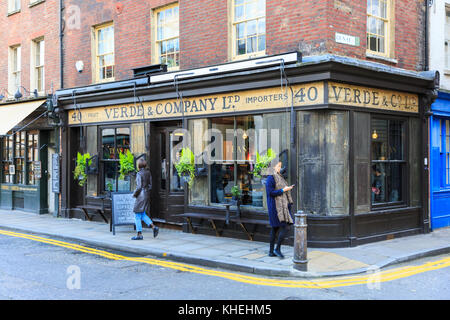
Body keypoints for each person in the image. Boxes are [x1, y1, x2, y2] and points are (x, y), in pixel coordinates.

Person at [265, 160, 294, 258]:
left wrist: (287, 188)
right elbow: (270, 193)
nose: (279, 168)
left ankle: (271, 252)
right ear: (273, 167)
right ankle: (277, 249)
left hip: (281, 206)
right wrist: (283, 190)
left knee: (275, 229)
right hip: (275, 207)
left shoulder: (279, 176)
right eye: (278, 166)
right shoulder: (270, 178)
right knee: (286, 227)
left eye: (280, 166)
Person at [131, 158, 159, 240]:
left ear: (138, 165)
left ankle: (139, 234)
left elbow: (139, 186)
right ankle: (154, 227)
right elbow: (150, 185)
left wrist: (134, 194)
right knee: (142, 214)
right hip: (146, 194)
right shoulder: (148, 172)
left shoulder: (139, 174)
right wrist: (146, 192)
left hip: (140, 195)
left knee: (136, 214)